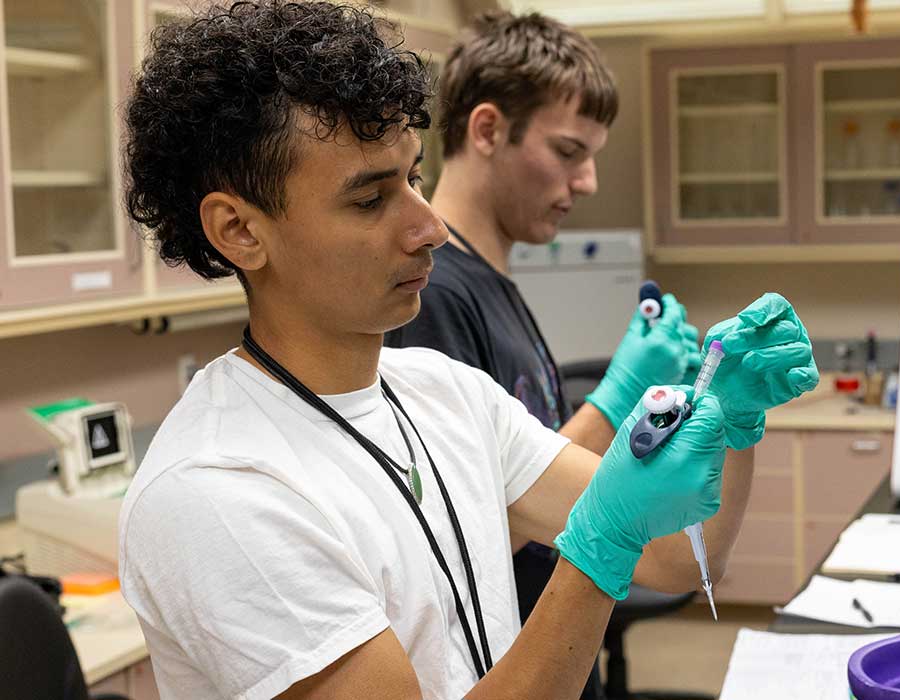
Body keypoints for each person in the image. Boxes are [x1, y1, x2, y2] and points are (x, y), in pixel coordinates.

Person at [117, 3, 819, 699]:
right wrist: (601, 541)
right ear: (239, 231)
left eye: (414, 178)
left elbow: (682, 554)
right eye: (370, 199)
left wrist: (731, 415)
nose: (431, 228)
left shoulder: (448, 393)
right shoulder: (217, 490)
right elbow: (624, 542)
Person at [383, 15, 699, 696]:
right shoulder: (430, 297)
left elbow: (529, 456)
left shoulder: (495, 283)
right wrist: (618, 395)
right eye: (567, 151)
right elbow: (466, 520)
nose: (585, 181)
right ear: (489, 130)